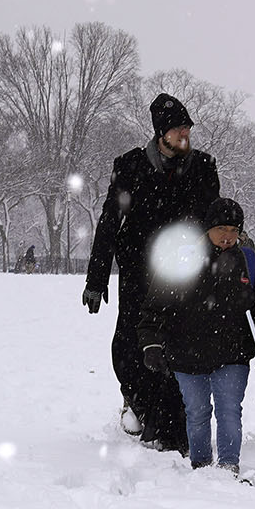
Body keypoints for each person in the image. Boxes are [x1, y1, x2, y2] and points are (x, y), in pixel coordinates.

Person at [83, 93, 222, 455]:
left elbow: (214, 220)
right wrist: (96, 280)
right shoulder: (130, 166)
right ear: (161, 133)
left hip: (186, 273)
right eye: (177, 129)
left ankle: (172, 426)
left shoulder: (204, 168)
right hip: (139, 273)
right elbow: (110, 221)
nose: (184, 134)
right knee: (129, 348)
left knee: (177, 350)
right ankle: (139, 403)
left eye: (187, 128)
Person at [138, 198, 255, 476]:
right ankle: (201, 467)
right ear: (208, 228)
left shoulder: (249, 261)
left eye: (234, 230)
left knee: (229, 410)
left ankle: (229, 466)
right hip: (186, 353)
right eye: (222, 228)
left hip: (233, 353)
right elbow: (154, 307)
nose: (228, 236)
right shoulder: (182, 260)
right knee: (196, 413)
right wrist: (152, 344)